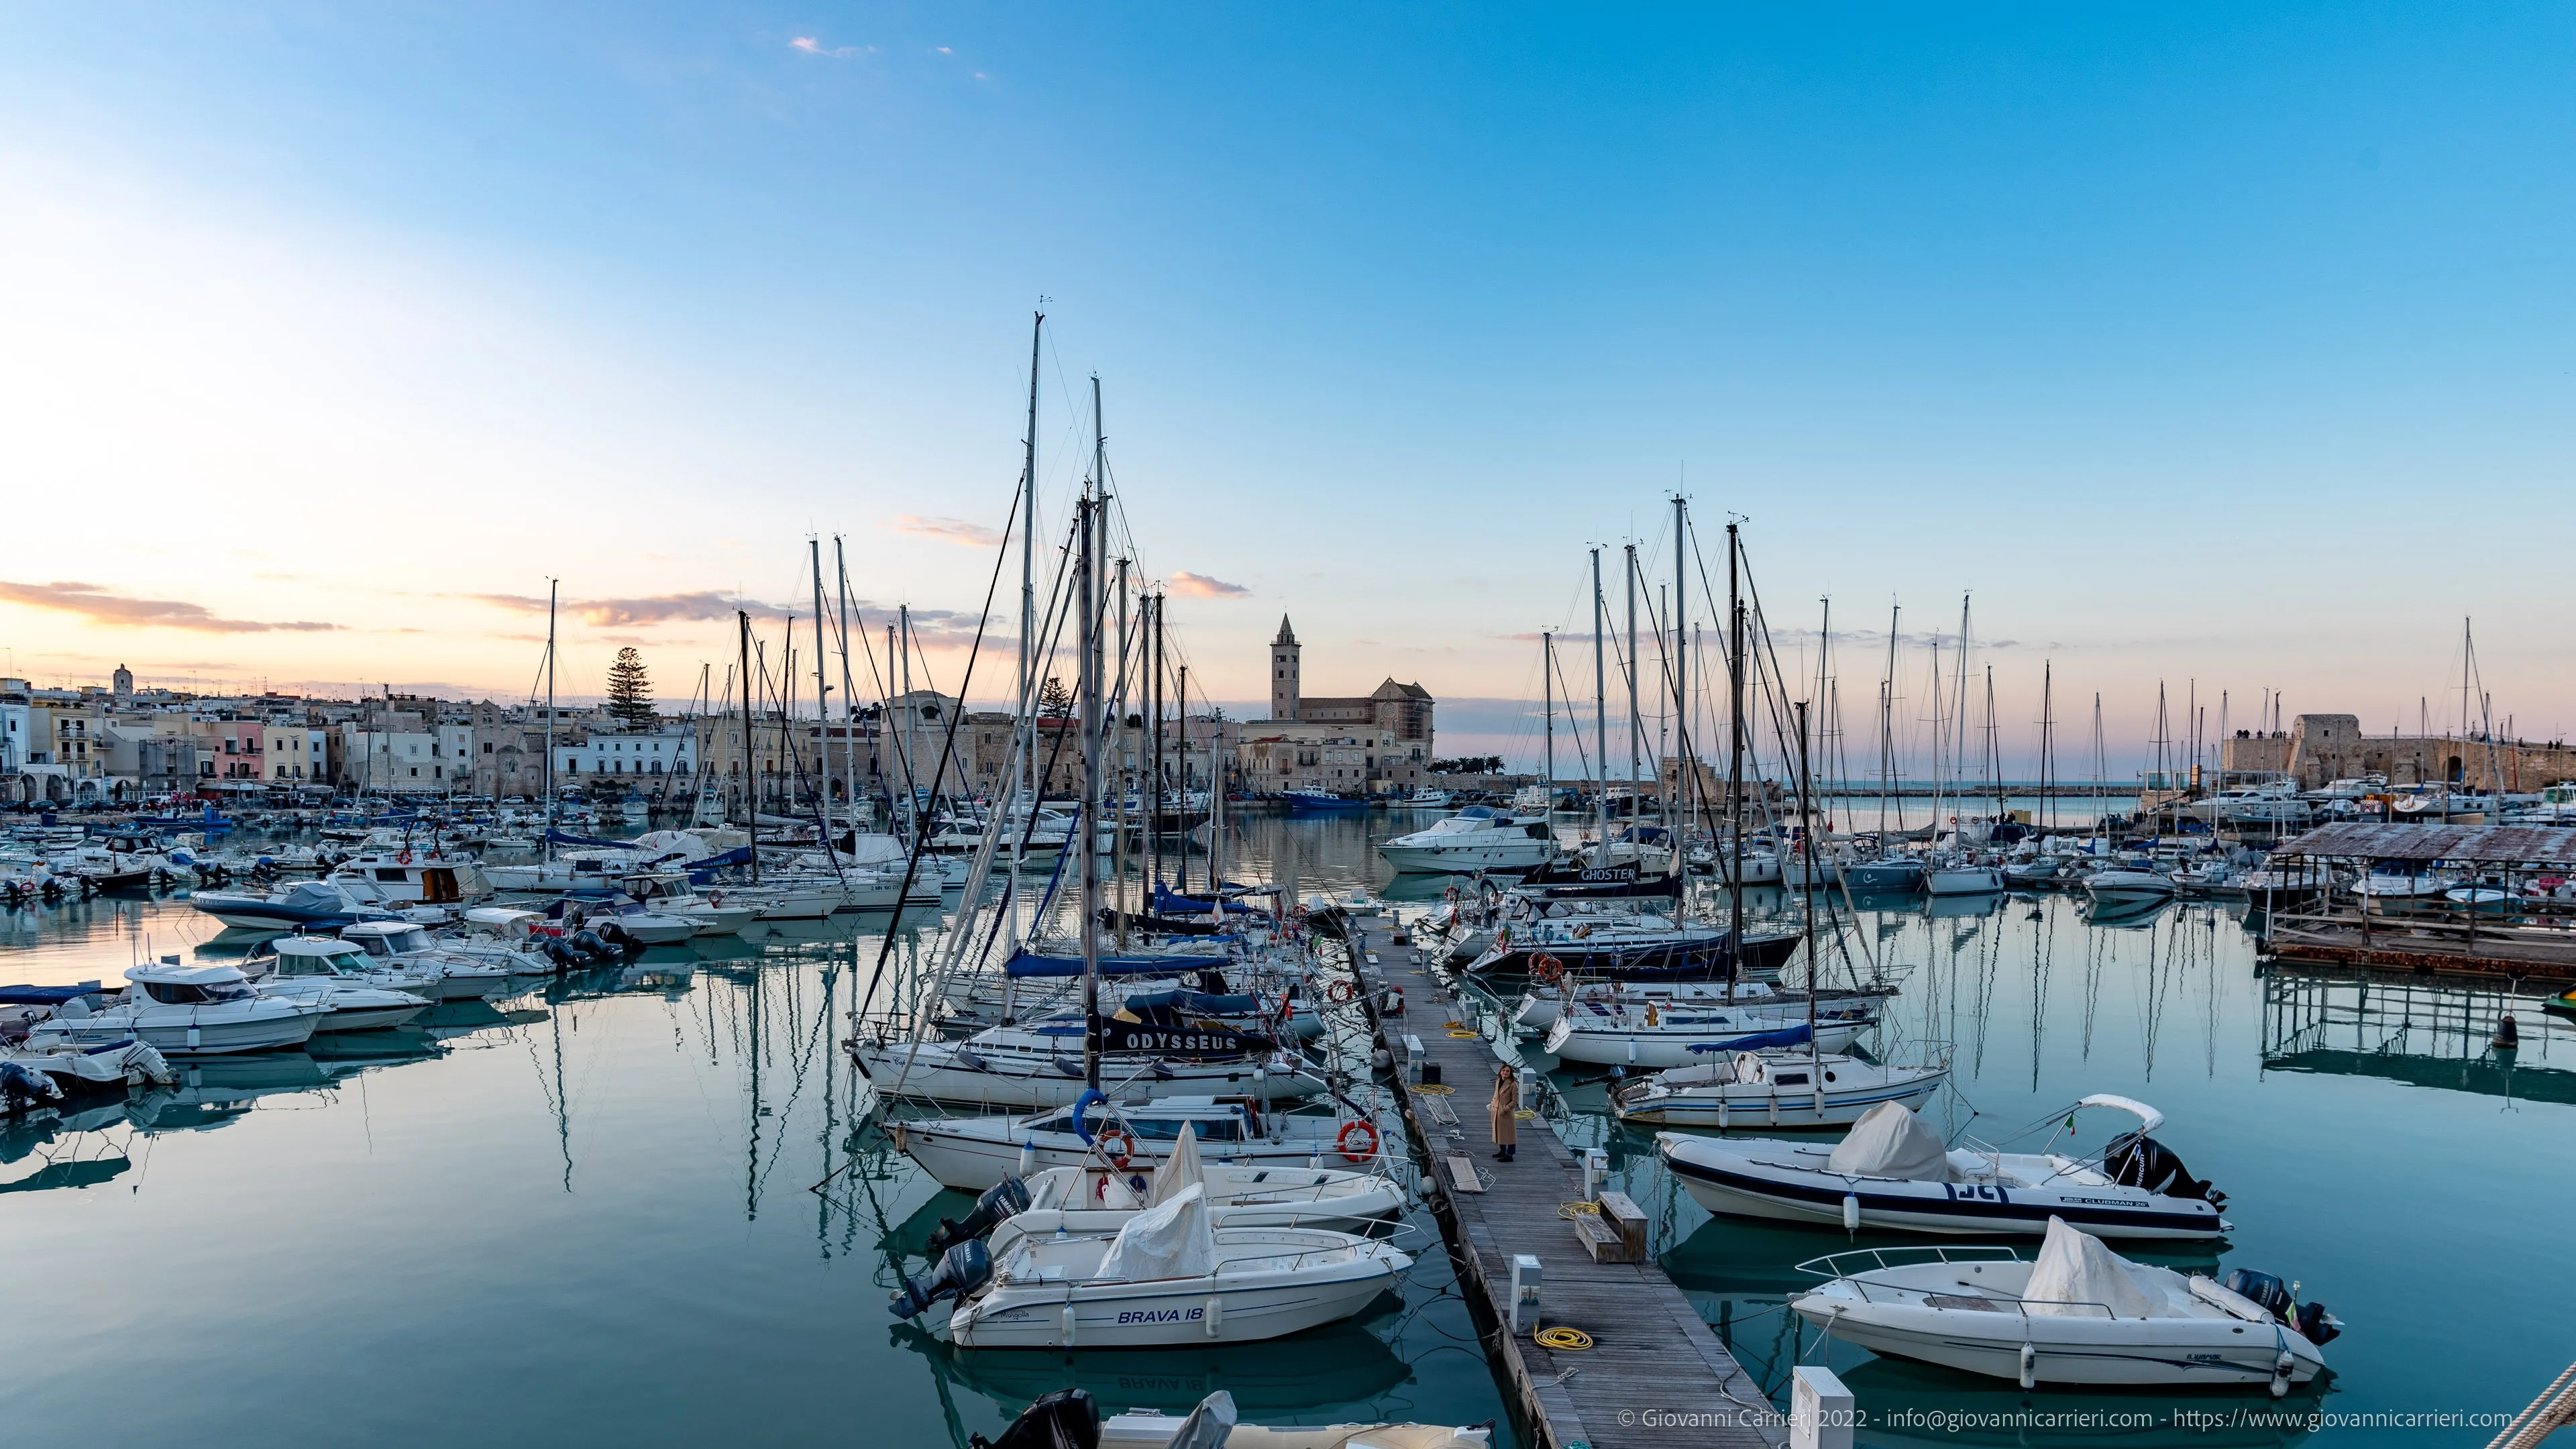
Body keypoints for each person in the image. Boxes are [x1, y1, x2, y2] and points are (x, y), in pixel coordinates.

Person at [1489, 1063, 1519, 1163]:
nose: (1505, 1072)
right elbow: (1496, 1095)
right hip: (1496, 1111)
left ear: (1510, 1073)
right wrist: (1492, 1104)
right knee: (1499, 1133)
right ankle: (1502, 1151)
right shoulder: (1498, 1081)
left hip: (1506, 1113)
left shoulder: (1513, 1085)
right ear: (1501, 1071)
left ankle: (1510, 1155)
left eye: (1507, 1071)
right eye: (1504, 1070)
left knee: (1509, 1135)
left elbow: (1515, 1101)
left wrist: (1505, 1109)